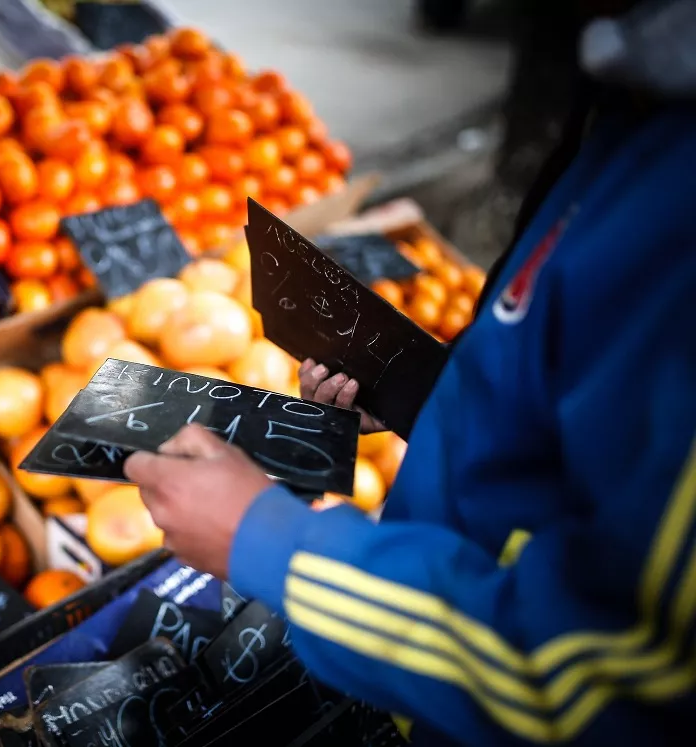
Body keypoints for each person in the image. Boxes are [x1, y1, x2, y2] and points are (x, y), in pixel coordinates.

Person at [123, 1, 696, 744]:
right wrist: (426, 398)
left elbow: (616, 684)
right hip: (420, 664)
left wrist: (262, 539)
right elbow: (586, 408)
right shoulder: (635, 104)